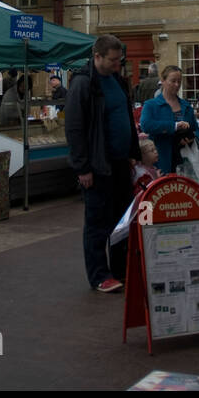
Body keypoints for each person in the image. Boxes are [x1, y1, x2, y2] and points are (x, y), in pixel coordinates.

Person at [65, 34, 141, 293]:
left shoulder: (117, 81)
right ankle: (99, 274)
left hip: (120, 163)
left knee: (122, 219)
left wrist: (132, 152)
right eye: (112, 60)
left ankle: (120, 270)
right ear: (97, 56)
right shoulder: (83, 84)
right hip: (98, 164)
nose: (117, 64)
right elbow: (75, 128)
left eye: (119, 60)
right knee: (98, 221)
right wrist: (82, 167)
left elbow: (126, 118)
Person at [138, 65, 199, 174]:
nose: (177, 85)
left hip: (185, 160)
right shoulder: (151, 105)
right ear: (163, 81)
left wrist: (192, 137)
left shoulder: (185, 106)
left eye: (179, 81)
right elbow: (146, 125)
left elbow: (197, 130)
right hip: (161, 159)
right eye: (173, 81)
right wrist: (174, 126)